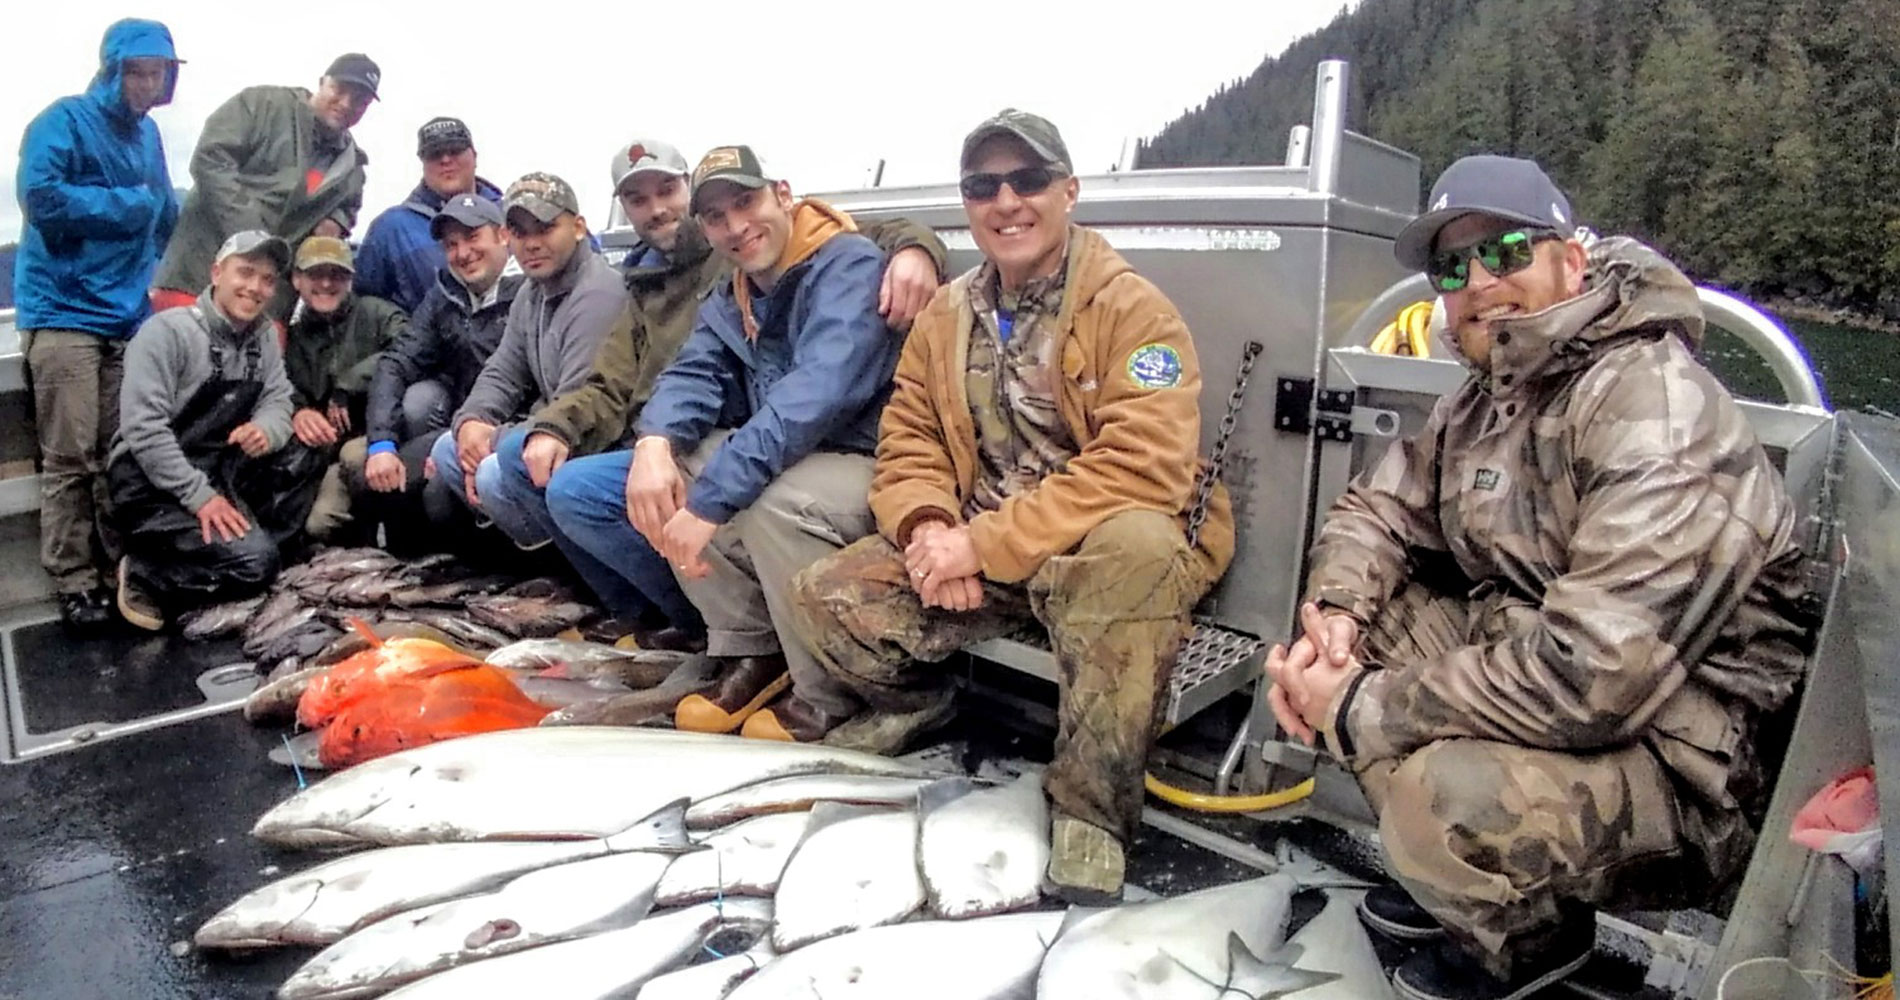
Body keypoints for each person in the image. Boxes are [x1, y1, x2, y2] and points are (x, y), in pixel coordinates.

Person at [1263, 155, 1814, 1000]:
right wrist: (1334, 615)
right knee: (1354, 643)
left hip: (1683, 768)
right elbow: (1376, 513)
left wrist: (1358, 704)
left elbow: (1595, 675)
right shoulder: (1482, 398)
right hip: (1547, 674)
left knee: (1431, 794)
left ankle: (1524, 944)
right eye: (1452, 267)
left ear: (1573, 261)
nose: (1479, 281)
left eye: (1507, 249)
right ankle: (1472, 894)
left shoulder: (1655, 408)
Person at [787, 110, 1233, 906]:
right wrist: (929, 531)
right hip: (984, 549)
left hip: (1093, 553)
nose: (1006, 201)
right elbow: (910, 440)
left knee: (1138, 553)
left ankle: (1093, 811)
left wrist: (983, 545)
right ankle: (921, 707)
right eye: (982, 186)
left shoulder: (1134, 310)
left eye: (1027, 180)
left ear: (1068, 191)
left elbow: (1145, 467)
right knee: (827, 595)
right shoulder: (946, 314)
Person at [491, 138, 945, 645]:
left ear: (783, 195)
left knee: (752, 496)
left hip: (852, 451)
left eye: (667, 190)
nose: (735, 226)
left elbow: (815, 393)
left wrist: (917, 243)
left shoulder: (828, 262)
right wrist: (654, 442)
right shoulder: (707, 284)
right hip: (770, 440)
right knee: (661, 473)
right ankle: (729, 643)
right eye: (639, 200)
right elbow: (684, 372)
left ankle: (815, 679)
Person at [13, 18, 182, 627]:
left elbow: (166, 212)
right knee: (70, 456)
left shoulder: (151, 136)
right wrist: (131, 205)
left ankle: (122, 572)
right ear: (112, 72)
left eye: (156, 73)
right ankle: (72, 578)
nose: (145, 83)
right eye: (136, 72)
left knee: (121, 453)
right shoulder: (63, 120)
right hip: (62, 315)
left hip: (127, 316)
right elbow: (43, 199)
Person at [108, 231, 313, 630]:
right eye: (246, 272)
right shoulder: (165, 333)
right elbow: (144, 430)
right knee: (257, 566)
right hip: (149, 484)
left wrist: (266, 430)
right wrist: (200, 498)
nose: (255, 288)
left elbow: (278, 399)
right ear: (216, 273)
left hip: (218, 470)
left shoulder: (265, 337)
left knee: (307, 448)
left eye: (268, 279)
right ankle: (146, 574)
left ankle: (249, 550)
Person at [429, 173, 629, 535]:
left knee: (492, 470)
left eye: (546, 228)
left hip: (598, 442)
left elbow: (579, 404)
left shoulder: (599, 293)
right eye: (521, 233)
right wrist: (473, 421)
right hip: (551, 432)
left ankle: (566, 567)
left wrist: (490, 441)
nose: (532, 244)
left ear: (579, 227)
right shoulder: (530, 291)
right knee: (449, 447)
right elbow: (502, 371)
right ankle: (525, 568)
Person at [350, 194, 521, 552]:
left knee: (440, 497)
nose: (463, 253)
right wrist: (382, 442)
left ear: (503, 236)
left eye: (473, 237)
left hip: (513, 431)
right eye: (451, 245)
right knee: (374, 477)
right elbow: (396, 362)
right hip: (461, 425)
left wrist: (470, 441)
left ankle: (499, 568)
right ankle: (407, 571)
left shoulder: (530, 291)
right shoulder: (444, 294)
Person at [152, 53, 378, 319]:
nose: (346, 104)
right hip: (195, 280)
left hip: (268, 305)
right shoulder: (261, 105)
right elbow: (210, 158)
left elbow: (347, 210)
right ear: (321, 82)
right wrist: (254, 239)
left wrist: (335, 224)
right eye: (339, 90)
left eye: (360, 101)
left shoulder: (353, 168)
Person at [280, 237, 406, 543]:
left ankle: (395, 538)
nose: (326, 283)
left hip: (388, 436)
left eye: (336, 275)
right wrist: (300, 411)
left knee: (353, 455)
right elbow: (283, 386)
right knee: (319, 525)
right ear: (297, 280)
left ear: (350, 279)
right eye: (315, 274)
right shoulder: (293, 337)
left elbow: (409, 348)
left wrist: (347, 384)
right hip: (331, 452)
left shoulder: (377, 312)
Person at [352, 116, 503, 313]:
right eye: (435, 154)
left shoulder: (510, 215)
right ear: (422, 163)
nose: (446, 160)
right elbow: (362, 307)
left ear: (474, 155)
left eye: (455, 150)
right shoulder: (390, 229)